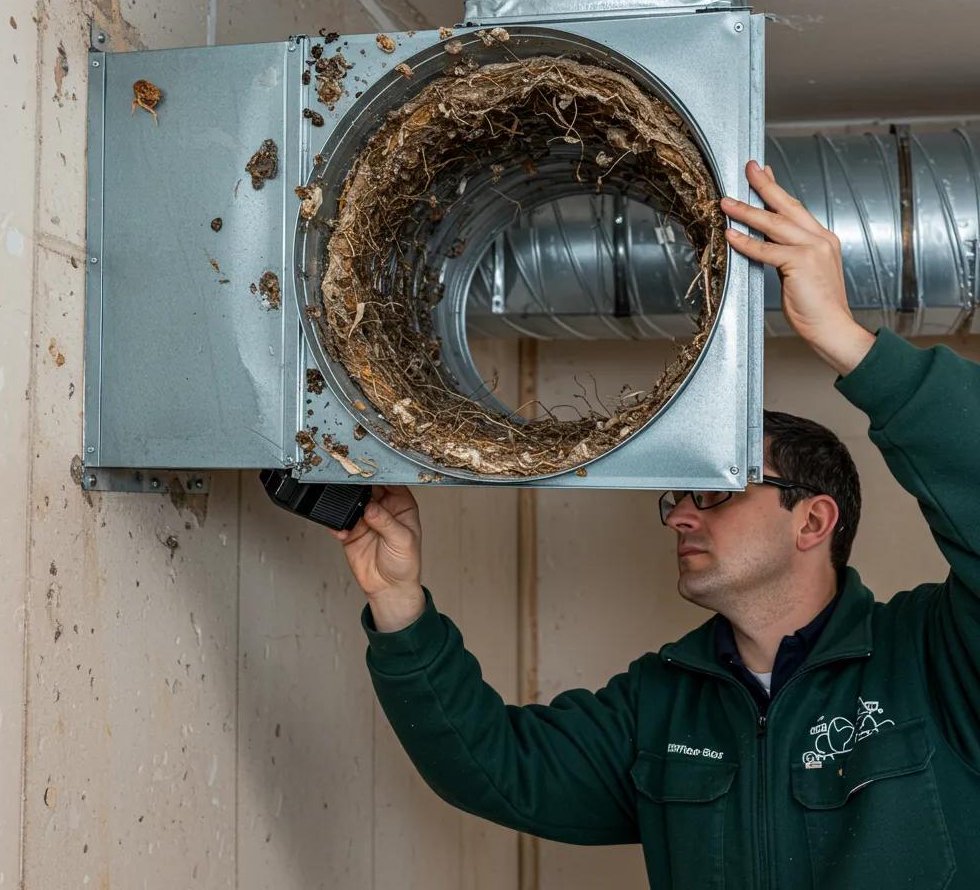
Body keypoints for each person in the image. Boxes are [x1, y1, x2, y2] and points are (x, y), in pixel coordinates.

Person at [332, 160, 980, 889]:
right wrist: (398, 602)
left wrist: (846, 339)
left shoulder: (936, 660)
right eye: (677, 498)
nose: (679, 517)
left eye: (716, 495)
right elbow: (497, 769)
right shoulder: (664, 703)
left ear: (812, 520)